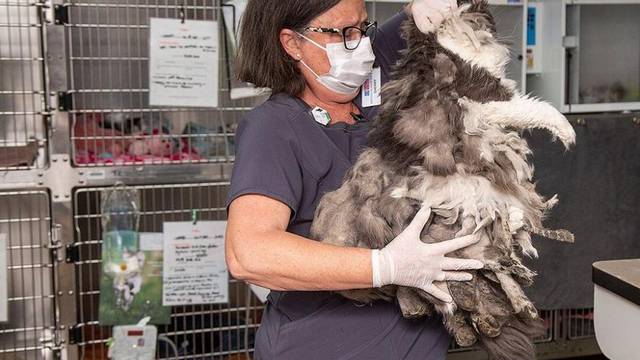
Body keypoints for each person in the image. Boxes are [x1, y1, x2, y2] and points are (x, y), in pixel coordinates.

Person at [224, 0, 483, 358]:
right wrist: (386, 266)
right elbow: (249, 253)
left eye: (362, 28)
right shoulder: (273, 128)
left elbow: (428, 14)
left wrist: (419, 8)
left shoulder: (370, 91)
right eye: (343, 33)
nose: (360, 44)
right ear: (292, 43)